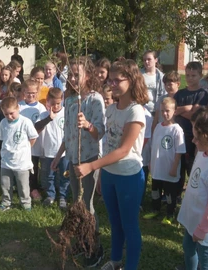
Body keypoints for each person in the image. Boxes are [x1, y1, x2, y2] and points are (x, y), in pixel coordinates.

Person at [74, 59, 148, 269]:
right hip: (109, 175)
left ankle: (130, 266)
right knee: (115, 224)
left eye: (118, 80)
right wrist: (88, 126)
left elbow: (123, 150)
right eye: (111, 80)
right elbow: (105, 139)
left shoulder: (136, 111)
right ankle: (115, 261)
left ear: (132, 81)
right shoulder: (112, 109)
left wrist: (92, 166)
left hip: (128, 177)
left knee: (129, 225)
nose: (112, 84)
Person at [52, 57, 105, 268]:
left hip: (88, 160)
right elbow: (67, 134)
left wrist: (88, 125)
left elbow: (99, 132)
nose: (73, 78)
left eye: (77, 74)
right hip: (72, 159)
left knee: (88, 205)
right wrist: (58, 156)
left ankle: (95, 247)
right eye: (70, 75)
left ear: (88, 76)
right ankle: (84, 242)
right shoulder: (70, 99)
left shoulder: (95, 99)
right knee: (78, 202)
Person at [177, 109, 208, 270]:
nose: (193, 141)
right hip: (193, 218)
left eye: (197, 138)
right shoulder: (203, 152)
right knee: (188, 247)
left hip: (206, 228)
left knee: (205, 262)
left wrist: (202, 229)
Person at [143, 97, 186, 224]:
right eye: (162, 111)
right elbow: (154, 146)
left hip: (169, 168)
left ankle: (170, 213)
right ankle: (155, 209)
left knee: (169, 193)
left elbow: (179, 151)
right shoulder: (157, 127)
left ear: (175, 111)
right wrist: (151, 161)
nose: (164, 114)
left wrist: (174, 167)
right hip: (157, 167)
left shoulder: (177, 129)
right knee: (155, 190)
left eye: (167, 111)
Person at [174, 61, 208, 198]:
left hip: (192, 137)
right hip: (178, 136)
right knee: (178, 167)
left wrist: (181, 110)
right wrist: (188, 108)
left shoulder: (202, 94)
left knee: (192, 168)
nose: (189, 78)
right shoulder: (179, 93)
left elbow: (196, 115)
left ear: (200, 75)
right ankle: (175, 196)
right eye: (187, 75)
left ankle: (194, 196)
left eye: (193, 75)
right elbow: (173, 111)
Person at [0, 96, 38, 211]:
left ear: (18, 108)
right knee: (5, 184)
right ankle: (6, 202)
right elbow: (3, 139)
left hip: (21, 161)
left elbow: (33, 137)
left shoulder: (25, 122)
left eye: (12, 113)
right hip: (6, 160)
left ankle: (25, 203)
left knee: (23, 185)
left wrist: (25, 148)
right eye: (6, 114)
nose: (9, 117)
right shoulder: (2, 123)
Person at [35, 87, 69, 209]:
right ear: (48, 101)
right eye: (53, 104)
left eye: (58, 104)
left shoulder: (66, 113)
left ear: (62, 101)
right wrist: (49, 118)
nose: (55, 106)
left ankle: (63, 197)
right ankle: (50, 195)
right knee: (49, 176)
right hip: (48, 152)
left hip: (64, 152)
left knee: (65, 175)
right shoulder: (44, 114)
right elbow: (36, 127)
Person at [19, 79, 47, 200]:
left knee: (36, 165)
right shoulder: (19, 106)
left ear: (37, 92)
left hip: (37, 141)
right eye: (28, 92)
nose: (31, 95)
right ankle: (31, 188)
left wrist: (33, 135)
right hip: (23, 142)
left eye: (33, 93)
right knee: (28, 165)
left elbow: (43, 124)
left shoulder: (41, 107)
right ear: (24, 92)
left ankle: (38, 185)